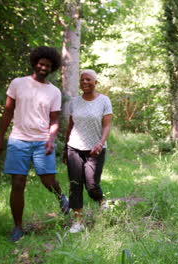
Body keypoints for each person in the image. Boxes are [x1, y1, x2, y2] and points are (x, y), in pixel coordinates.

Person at [0, 46, 69, 242]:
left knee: (48, 181)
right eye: (41, 64)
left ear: (52, 69)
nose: (44, 68)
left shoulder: (54, 92)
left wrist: (51, 139)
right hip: (18, 140)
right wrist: (0, 138)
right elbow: (8, 112)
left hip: (42, 142)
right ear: (35, 63)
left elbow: (54, 120)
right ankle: (18, 227)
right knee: (17, 183)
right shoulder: (18, 83)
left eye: (48, 66)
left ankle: (61, 197)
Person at [63, 69, 112, 233]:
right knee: (75, 184)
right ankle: (78, 221)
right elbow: (71, 125)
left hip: (95, 150)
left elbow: (107, 125)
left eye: (88, 79)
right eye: (82, 80)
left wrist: (101, 143)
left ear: (95, 82)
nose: (84, 82)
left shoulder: (104, 101)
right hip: (74, 148)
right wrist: (65, 148)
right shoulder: (74, 102)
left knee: (91, 185)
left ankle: (102, 201)